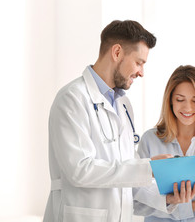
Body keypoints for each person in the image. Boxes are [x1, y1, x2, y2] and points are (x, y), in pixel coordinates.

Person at [43, 20, 171, 222]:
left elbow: (129, 178)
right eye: (139, 62)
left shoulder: (123, 105)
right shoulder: (72, 98)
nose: (141, 72)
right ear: (117, 52)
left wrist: (168, 198)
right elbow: (79, 170)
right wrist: (149, 168)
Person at [133, 65, 195, 221]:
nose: (188, 108)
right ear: (171, 101)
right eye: (180, 99)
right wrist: (192, 206)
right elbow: (137, 203)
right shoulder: (150, 140)